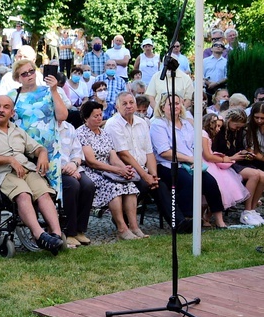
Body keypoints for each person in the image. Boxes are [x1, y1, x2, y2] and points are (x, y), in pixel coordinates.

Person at [0, 95, 64, 255]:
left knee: (44, 193)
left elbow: (37, 148)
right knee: (23, 194)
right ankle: (39, 235)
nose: (1, 110)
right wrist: (9, 160)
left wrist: (42, 154)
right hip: (0, 173)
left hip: (26, 170)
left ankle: (55, 234)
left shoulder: (17, 130)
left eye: (6, 107)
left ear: (12, 112)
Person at [149, 94, 227, 228]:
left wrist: (194, 159)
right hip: (168, 165)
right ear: (162, 107)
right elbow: (164, 152)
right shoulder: (158, 124)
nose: (175, 106)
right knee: (189, 182)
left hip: (189, 163)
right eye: (171, 104)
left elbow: (195, 145)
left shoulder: (186, 123)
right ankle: (187, 219)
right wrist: (190, 159)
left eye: (177, 103)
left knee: (210, 182)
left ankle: (219, 220)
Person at [105, 92, 175, 232]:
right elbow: (123, 154)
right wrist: (145, 176)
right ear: (117, 107)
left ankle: (177, 223)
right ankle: (124, 220)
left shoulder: (142, 123)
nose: (129, 106)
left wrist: (153, 175)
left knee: (158, 185)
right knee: (143, 185)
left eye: (131, 102)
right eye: (124, 104)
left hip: (143, 170)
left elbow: (149, 152)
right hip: (124, 170)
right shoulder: (113, 124)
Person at [76, 101, 143, 240]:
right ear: (86, 118)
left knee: (129, 186)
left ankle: (134, 227)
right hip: (92, 171)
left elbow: (113, 156)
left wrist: (123, 168)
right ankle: (122, 228)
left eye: (100, 115)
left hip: (109, 170)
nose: (99, 118)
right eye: (95, 116)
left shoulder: (104, 133)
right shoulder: (81, 133)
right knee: (114, 188)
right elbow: (91, 162)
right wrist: (117, 170)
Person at [8, 59, 67, 199]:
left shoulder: (49, 91)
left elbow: (63, 116)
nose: (29, 75)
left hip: (50, 148)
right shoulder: (12, 95)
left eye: (32, 71)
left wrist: (54, 90)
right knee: (29, 187)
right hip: (24, 150)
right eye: (24, 74)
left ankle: (54, 219)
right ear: (17, 78)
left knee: (53, 189)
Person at [211, 108, 264, 224]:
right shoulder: (220, 131)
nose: (238, 129)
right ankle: (246, 211)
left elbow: (240, 147)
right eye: (236, 126)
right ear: (229, 120)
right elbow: (217, 152)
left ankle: (252, 210)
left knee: (262, 175)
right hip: (226, 163)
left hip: (238, 161)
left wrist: (245, 153)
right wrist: (233, 156)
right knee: (254, 175)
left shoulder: (238, 132)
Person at [201, 113, 250, 213]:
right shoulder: (203, 134)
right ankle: (204, 216)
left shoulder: (209, 136)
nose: (219, 129)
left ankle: (207, 216)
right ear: (209, 124)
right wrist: (224, 159)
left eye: (220, 126)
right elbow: (207, 155)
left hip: (212, 162)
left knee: (225, 186)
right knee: (220, 186)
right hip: (207, 162)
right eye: (217, 126)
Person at [57, 117, 94, 248]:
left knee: (88, 185)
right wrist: (66, 169)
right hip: (55, 170)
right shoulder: (44, 127)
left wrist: (74, 164)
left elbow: (77, 152)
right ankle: (69, 231)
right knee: (72, 185)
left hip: (74, 167)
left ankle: (80, 229)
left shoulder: (69, 127)